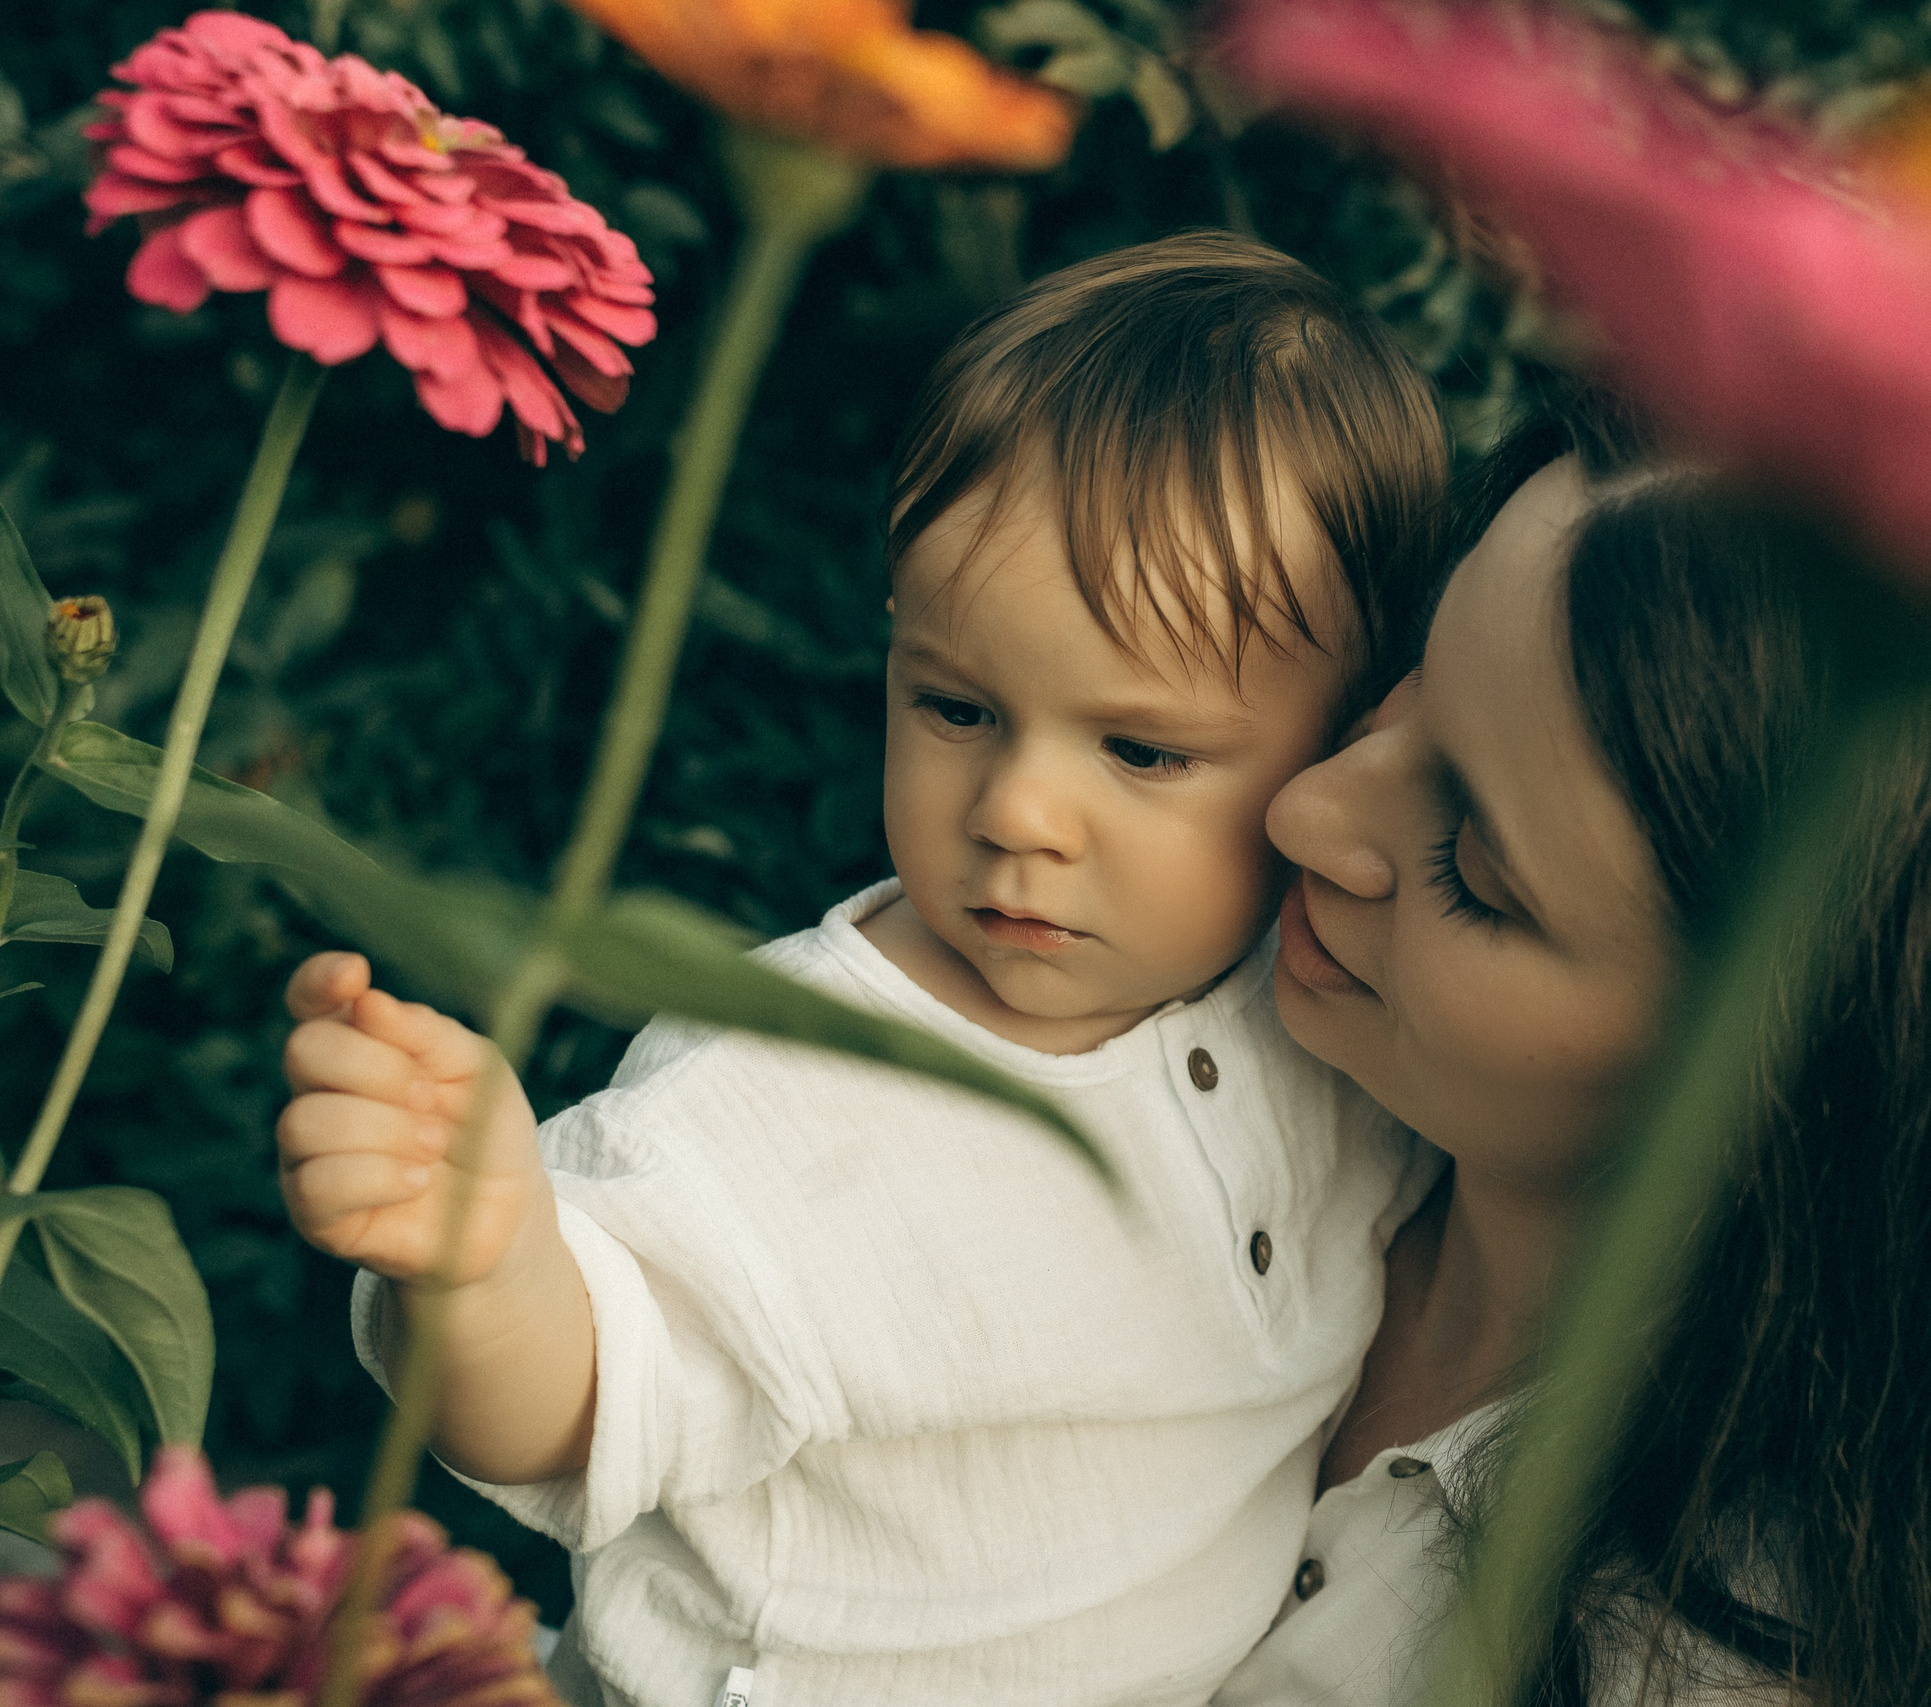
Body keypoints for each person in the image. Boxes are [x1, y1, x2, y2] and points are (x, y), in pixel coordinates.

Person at [269, 231, 1449, 1707]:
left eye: (1140, 749)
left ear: (1340, 747)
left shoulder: (1329, 1024)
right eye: (957, 708)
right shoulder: (782, 1090)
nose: (1017, 812)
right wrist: (492, 1262)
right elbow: (569, 1409)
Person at [1214, 401, 1931, 1707]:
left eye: (1476, 876)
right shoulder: (1193, 1030)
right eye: (1413, 675)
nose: (1302, 811)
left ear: (1808, 1085)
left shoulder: (1702, 1664)